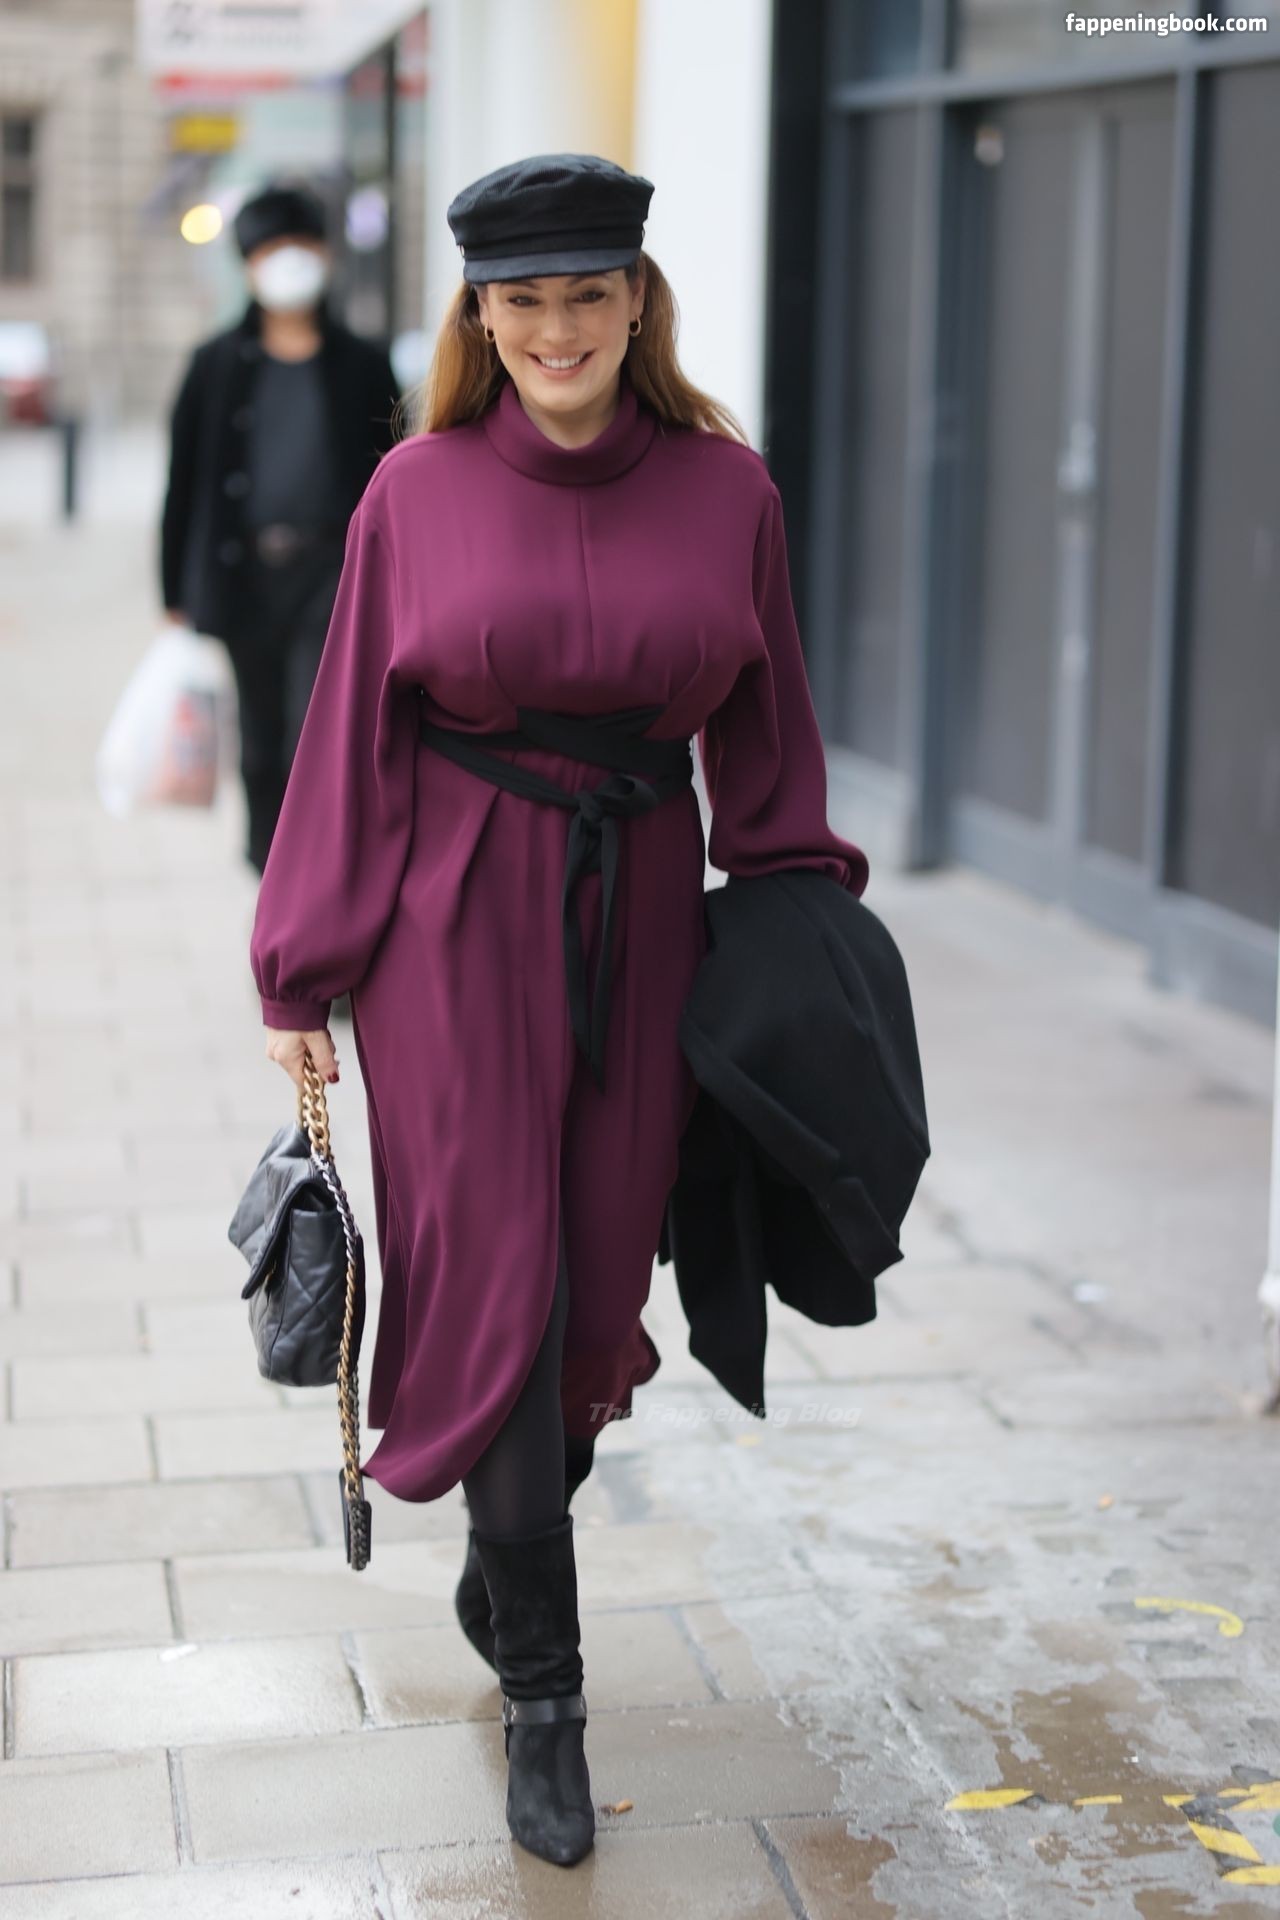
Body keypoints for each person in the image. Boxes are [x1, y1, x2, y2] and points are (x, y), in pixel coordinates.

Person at [248, 153, 870, 1868]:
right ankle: (548, 1697)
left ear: (636, 302)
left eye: (588, 294)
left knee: (596, 1292)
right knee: (497, 1286)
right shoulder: (415, 490)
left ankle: (506, 1542)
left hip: (641, 912)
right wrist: (299, 966)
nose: (557, 329)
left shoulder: (730, 491)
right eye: (522, 302)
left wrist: (803, 918)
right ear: (482, 316)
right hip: (446, 927)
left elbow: (769, 741)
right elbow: (348, 743)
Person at [160, 181, 401, 875]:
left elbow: (398, 471)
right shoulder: (214, 365)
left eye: (300, 245)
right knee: (261, 739)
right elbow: (184, 480)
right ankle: (268, 872)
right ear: (248, 265)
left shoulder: (363, 363)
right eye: (272, 249)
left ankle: (316, 874)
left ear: (325, 255)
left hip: (334, 576)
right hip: (245, 575)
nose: (288, 261)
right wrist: (172, 591)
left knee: (315, 733)